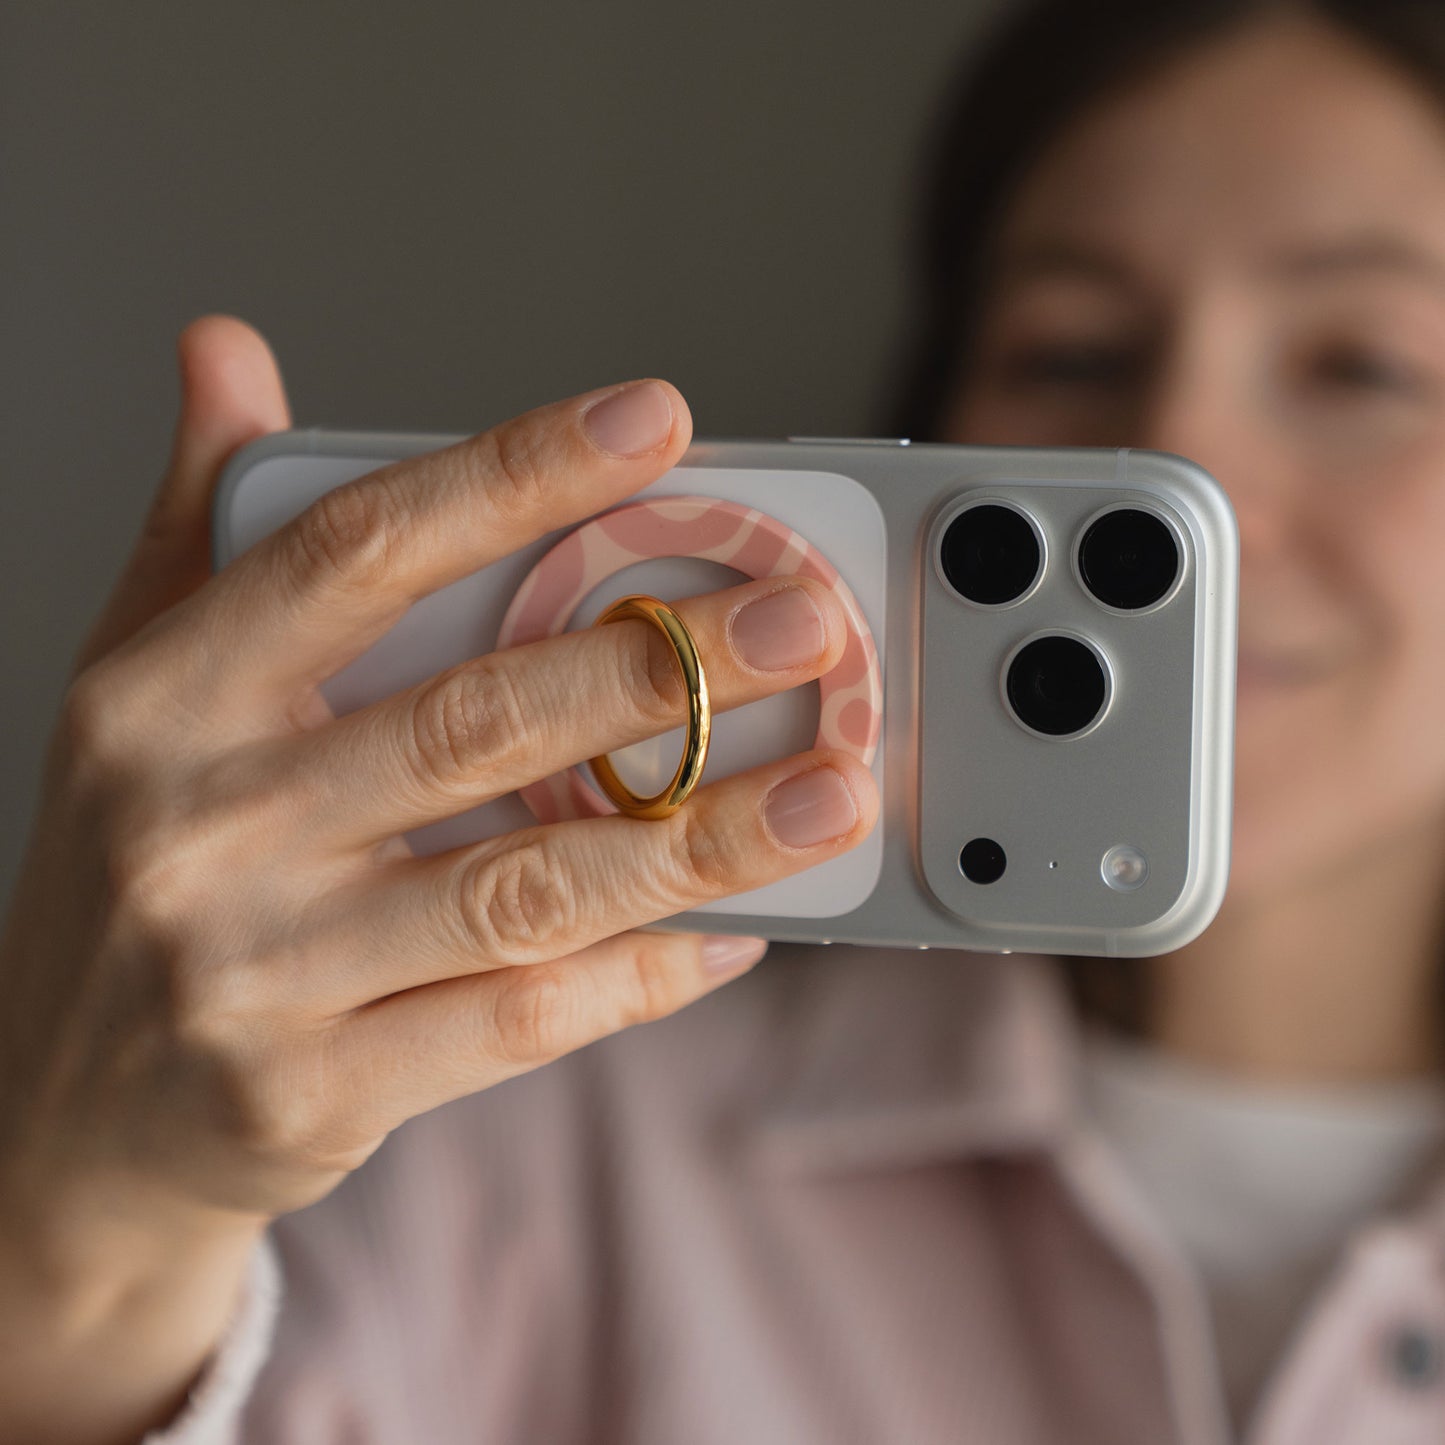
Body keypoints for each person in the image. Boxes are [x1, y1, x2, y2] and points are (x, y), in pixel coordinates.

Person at [5, 0, 1445, 1439]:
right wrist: (89, 1248)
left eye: (1363, 366)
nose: (1186, 457)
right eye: (1070, 354)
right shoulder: (493, 1115)